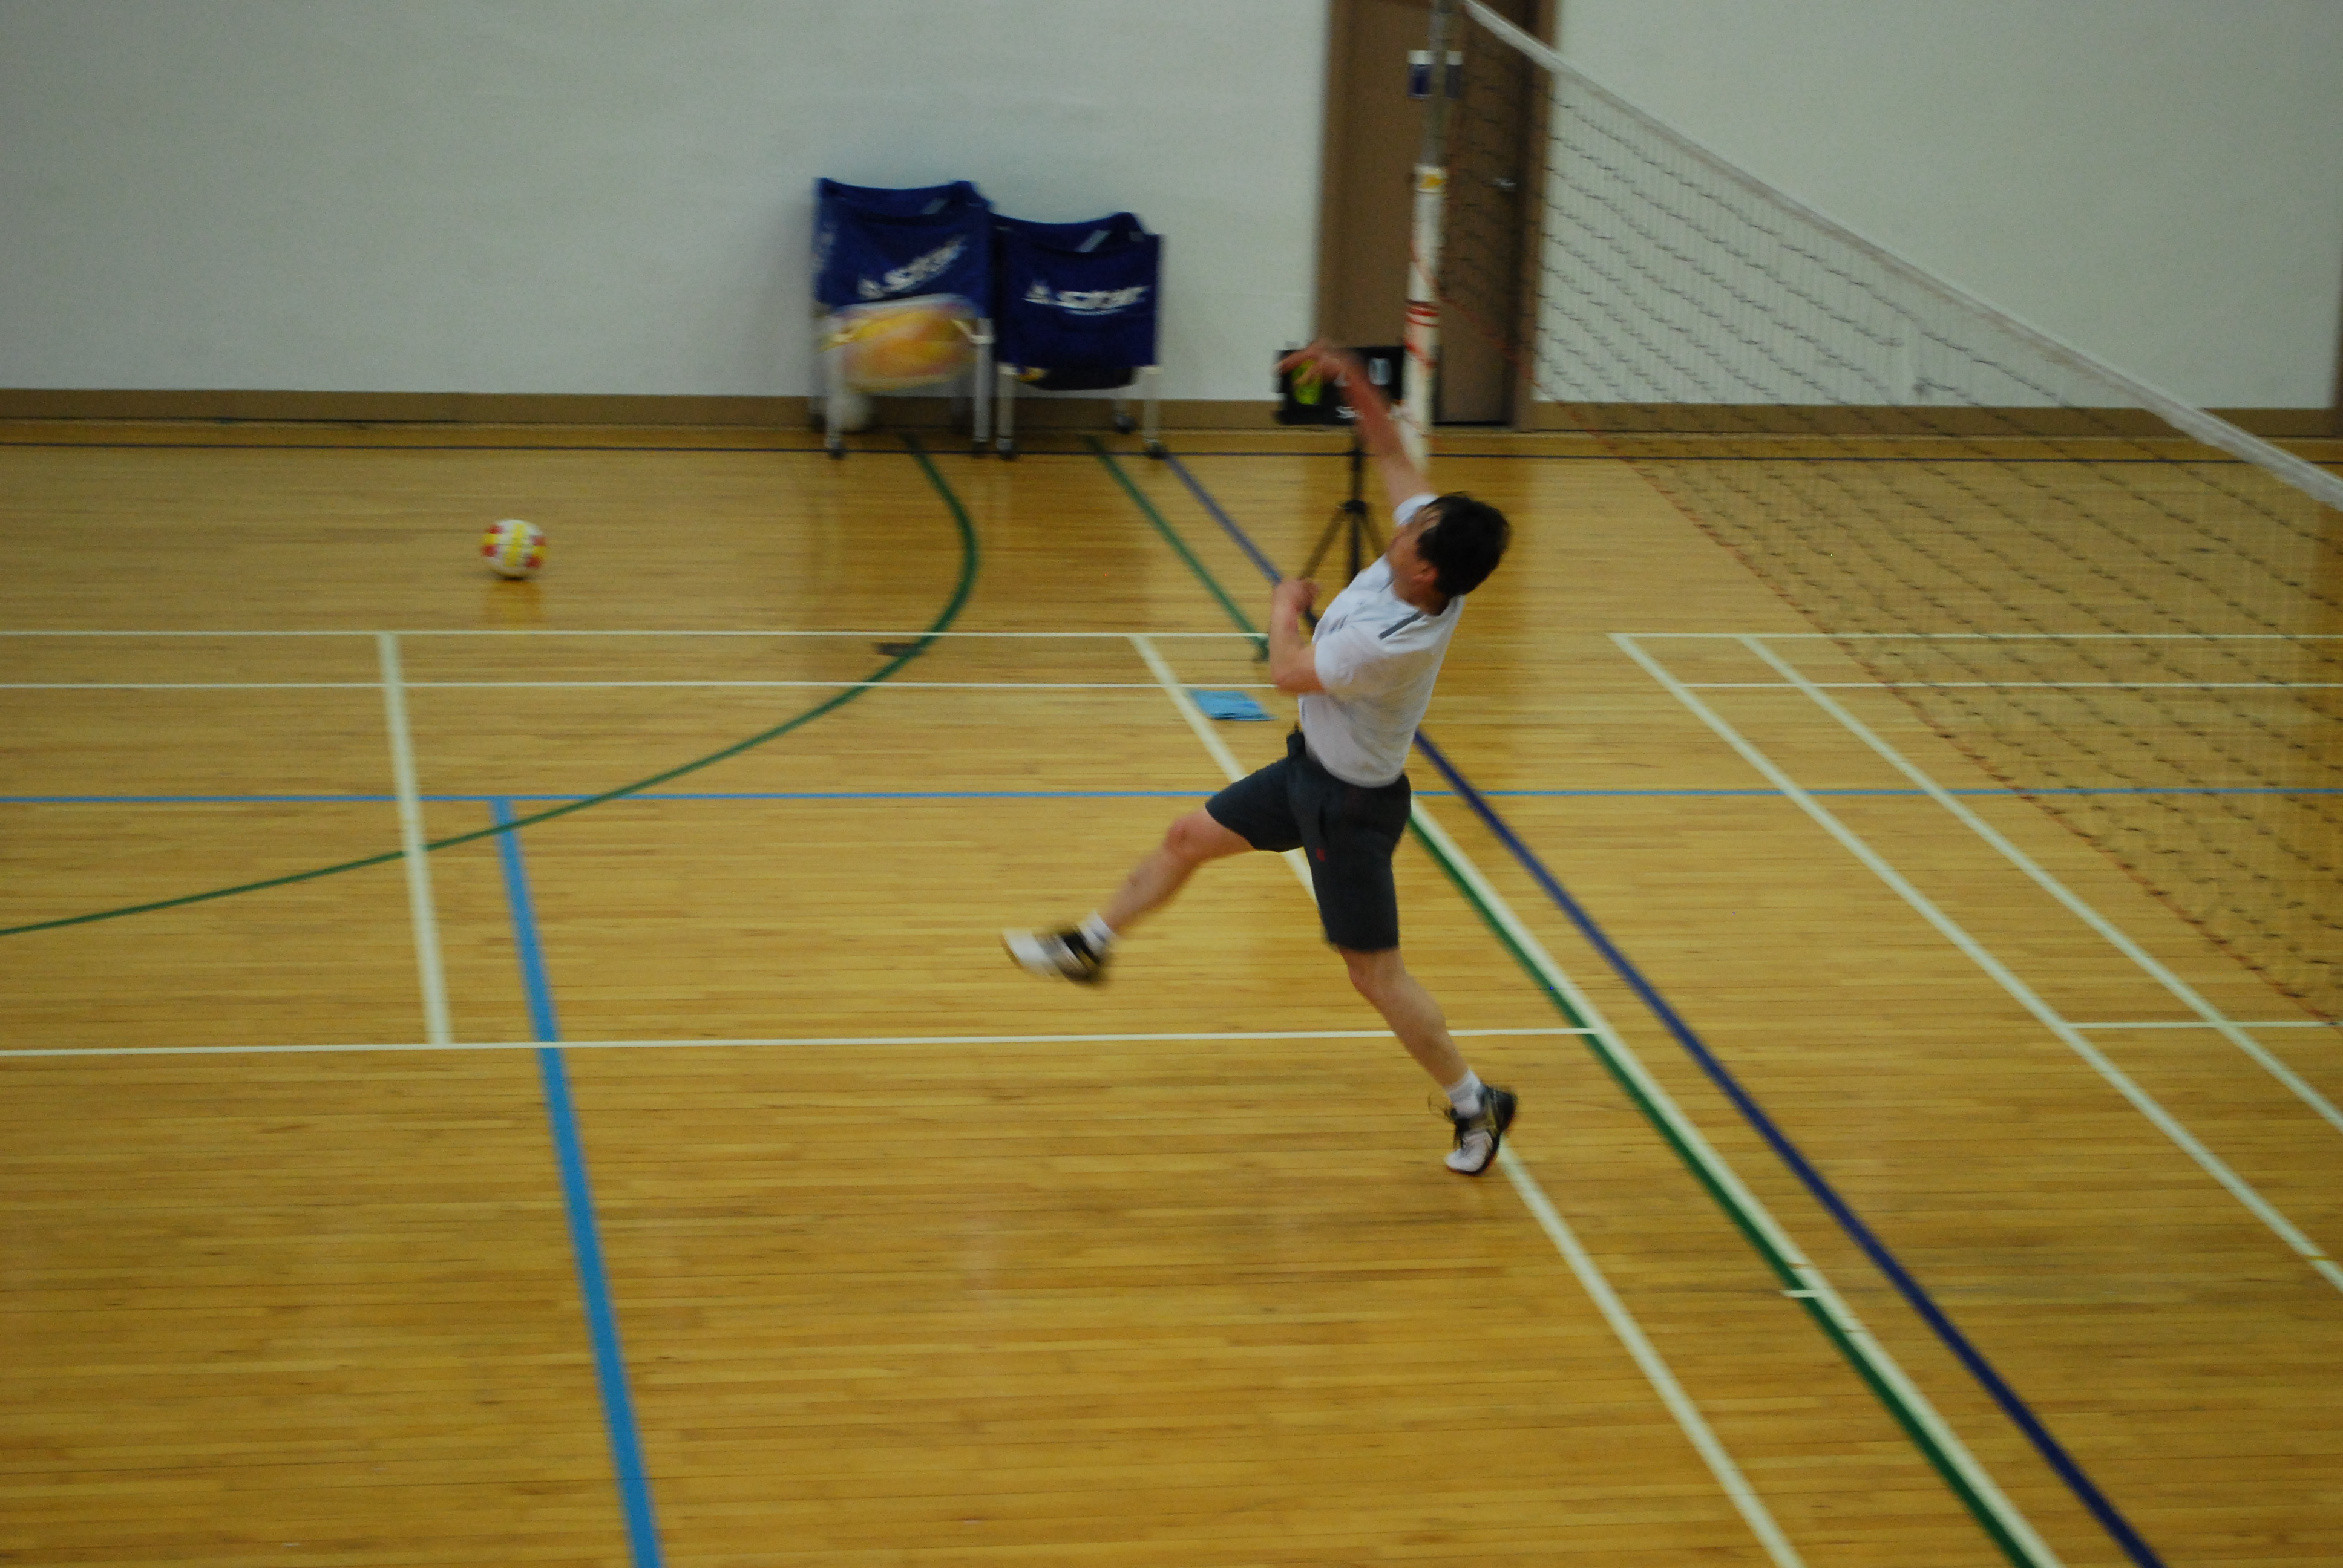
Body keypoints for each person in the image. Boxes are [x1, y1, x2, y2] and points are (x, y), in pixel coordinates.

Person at [1004, 341, 1516, 1174]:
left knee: (1375, 978)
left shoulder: (1389, 640)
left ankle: (1473, 1100)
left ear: (1427, 569)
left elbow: (1285, 672)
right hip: (1309, 773)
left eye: (1413, 530)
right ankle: (1092, 943)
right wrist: (1351, 377)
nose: (1403, 520)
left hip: (1350, 807)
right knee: (1187, 837)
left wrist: (1284, 606)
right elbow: (1391, 451)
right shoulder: (1428, 562)